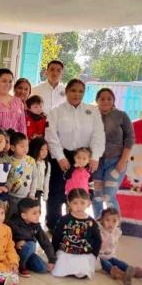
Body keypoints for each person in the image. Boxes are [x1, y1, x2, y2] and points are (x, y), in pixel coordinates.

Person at [45, 79, 105, 231]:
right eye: (73, 90)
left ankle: (76, 223)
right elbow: (51, 135)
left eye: (80, 91)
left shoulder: (92, 111)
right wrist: (60, 157)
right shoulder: (56, 111)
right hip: (63, 155)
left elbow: (98, 135)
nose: (77, 94)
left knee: (80, 192)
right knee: (57, 191)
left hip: (85, 157)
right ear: (66, 92)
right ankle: (54, 224)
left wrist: (95, 157)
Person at [92, 88, 134, 218]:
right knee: (97, 196)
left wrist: (123, 160)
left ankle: (114, 228)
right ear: (97, 100)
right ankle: (98, 226)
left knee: (109, 195)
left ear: (114, 100)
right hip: (96, 163)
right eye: (102, 99)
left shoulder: (121, 116)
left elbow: (130, 138)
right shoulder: (93, 115)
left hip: (116, 162)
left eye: (109, 98)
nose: (105, 101)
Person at [99, 208, 142, 285]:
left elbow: (113, 245)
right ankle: (122, 276)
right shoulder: (100, 231)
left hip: (110, 256)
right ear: (102, 221)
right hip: (99, 257)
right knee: (107, 264)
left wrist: (111, 234)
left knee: (124, 265)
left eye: (114, 221)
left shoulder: (117, 232)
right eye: (107, 220)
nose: (110, 223)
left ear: (118, 223)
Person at [51, 189, 102, 279]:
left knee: (82, 273)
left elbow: (97, 239)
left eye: (82, 203)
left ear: (88, 203)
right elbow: (56, 237)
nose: (79, 206)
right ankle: (68, 269)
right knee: (60, 266)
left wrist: (94, 255)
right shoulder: (64, 219)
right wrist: (53, 253)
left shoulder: (91, 222)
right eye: (75, 203)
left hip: (83, 253)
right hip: (65, 251)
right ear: (69, 203)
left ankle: (75, 269)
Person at [8, 198, 55, 277]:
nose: (38, 215)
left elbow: (45, 242)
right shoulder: (13, 224)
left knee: (43, 268)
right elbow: (6, 242)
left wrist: (52, 260)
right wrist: (16, 244)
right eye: (34, 213)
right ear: (24, 215)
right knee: (31, 244)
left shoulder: (36, 225)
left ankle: (24, 262)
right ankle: (20, 267)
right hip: (14, 254)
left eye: (39, 212)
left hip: (27, 253)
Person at [6, 131, 37, 218]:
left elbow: (34, 178)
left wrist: (32, 193)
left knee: (24, 218)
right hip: (12, 197)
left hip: (26, 196)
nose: (25, 149)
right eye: (22, 146)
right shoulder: (8, 161)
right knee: (12, 218)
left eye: (27, 145)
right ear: (12, 148)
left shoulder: (31, 161)